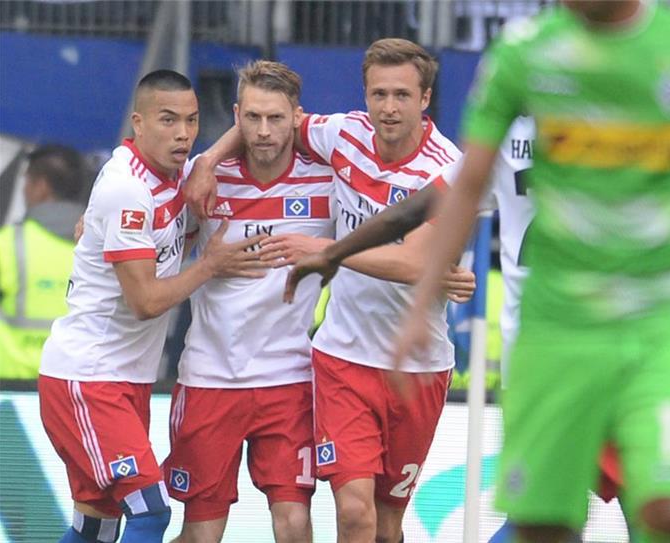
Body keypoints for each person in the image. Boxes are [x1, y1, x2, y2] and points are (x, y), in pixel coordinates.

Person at [387, 1, 670, 542]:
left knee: (669, 510)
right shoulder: (523, 55)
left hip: (659, 326)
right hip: (555, 330)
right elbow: (464, 186)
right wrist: (418, 311)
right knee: (542, 524)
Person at [185, 39, 471, 543]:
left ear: (425, 99)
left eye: (402, 95)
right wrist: (207, 161)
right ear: (363, 93)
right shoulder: (343, 135)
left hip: (418, 365)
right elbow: (268, 118)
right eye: (377, 94)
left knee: (387, 525)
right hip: (340, 359)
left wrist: (328, 252)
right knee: (353, 513)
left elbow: (414, 262)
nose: (387, 108)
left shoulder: (447, 168)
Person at [37, 70, 268, 543]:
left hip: (125, 378)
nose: (182, 133)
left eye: (191, 120)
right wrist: (209, 265)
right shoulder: (127, 188)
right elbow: (144, 302)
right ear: (138, 123)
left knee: (97, 527)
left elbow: (247, 127)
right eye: (168, 120)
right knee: (150, 513)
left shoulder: (178, 174)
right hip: (88, 377)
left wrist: (208, 162)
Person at [161, 60, 336, 543]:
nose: (263, 131)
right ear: (237, 115)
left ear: (297, 118)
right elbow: (145, 223)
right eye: (253, 117)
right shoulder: (204, 185)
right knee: (201, 534)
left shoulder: (326, 182)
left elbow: (373, 229)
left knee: (295, 524)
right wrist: (91, 224)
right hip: (209, 379)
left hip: (289, 381)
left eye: (276, 118)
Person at [0, 144, 87, 379]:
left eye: (27, 182)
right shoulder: (98, 247)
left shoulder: (7, 244)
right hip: (70, 391)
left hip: (8, 396)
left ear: (41, 187)